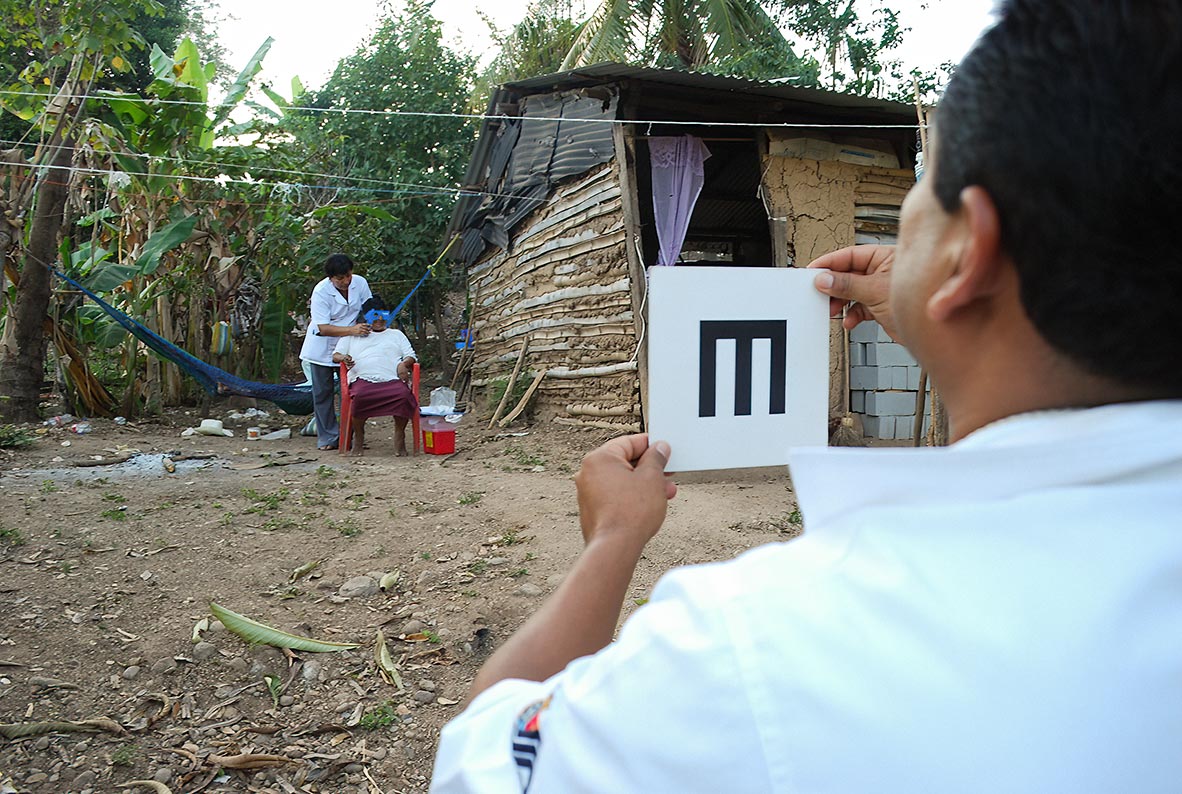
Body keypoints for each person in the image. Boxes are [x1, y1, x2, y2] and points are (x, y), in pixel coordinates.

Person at [430, 1, 1182, 791]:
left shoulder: (752, 647)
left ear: (970, 248)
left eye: (921, 193)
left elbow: (484, 762)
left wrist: (614, 538)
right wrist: (946, 311)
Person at [299, 254, 373, 450]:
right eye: (340, 278)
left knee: (353, 390)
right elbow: (322, 327)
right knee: (323, 393)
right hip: (322, 347)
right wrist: (352, 330)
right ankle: (328, 438)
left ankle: (351, 436)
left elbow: (368, 309)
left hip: (350, 345)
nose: (345, 281)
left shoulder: (360, 283)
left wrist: (376, 320)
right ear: (331, 278)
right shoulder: (321, 292)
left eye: (348, 276)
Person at [332, 296, 418, 456]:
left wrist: (403, 364)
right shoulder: (352, 335)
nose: (379, 320)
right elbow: (335, 355)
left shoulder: (396, 335)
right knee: (360, 396)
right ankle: (359, 437)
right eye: (374, 316)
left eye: (382, 315)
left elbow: (411, 355)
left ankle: (400, 435)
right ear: (366, 317)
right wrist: (343, 358)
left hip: (392, 379)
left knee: (403, 395)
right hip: (363, 379)